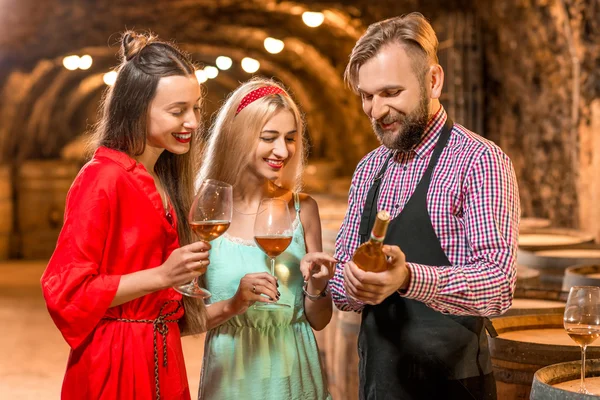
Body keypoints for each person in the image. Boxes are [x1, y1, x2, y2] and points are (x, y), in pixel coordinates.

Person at [330, 12, 521, 400]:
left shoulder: (479, 160)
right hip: (378, 382)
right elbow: (341, 289)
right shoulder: (369, 169)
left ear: (433, 81)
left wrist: (408, 278)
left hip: (454, 384)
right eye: (367, 96)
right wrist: (342, 282)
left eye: (390, 93)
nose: (376, 111)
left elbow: (498, 285)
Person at [41, 31, 209, 400]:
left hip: (161, 354)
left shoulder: (166, 178)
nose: (193, 123)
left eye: (195, 108)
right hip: (114, 360)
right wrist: (163, 275)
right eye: (177, 110)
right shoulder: (101, 178)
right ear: (135, 109)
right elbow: (66, 290)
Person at [196, 78, 335, 399]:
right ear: (238, 139)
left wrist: (317, 287)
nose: (283, 150)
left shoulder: (304, 209)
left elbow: (319, 321)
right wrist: (234, 304)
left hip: (295, 380)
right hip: (232, 380)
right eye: (269, 138)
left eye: (290, 138)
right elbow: (186, 321)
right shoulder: (208, 213)